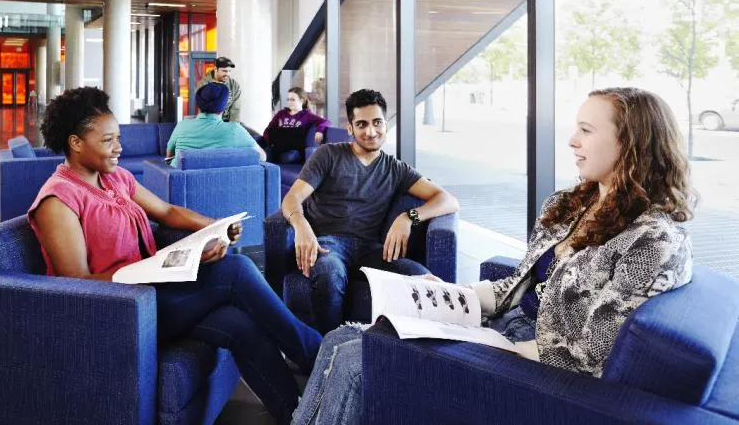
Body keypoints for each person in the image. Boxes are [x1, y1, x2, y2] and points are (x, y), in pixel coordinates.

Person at [292, 87, 697, 425]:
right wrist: (454, 293)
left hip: (531, 354)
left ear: (631, 143)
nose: (572, 140)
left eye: (586, 130)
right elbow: (521, 283)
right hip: (501, 323)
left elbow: (589, 356)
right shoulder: (572, 205)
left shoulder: (652, 241)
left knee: (357, 357)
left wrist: (486, 342)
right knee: (341, 338)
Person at [28, 87, 320, 424]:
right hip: (115, 312)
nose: (119, 148)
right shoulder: (58, 200)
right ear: (76, 143)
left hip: (153, 294)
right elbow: (77, 283)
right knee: (236, 269)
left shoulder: (115, 178)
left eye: (118, 137)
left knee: (240, 325)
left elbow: (166, 211)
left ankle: (300, 415)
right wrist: (153, 270)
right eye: (108, 141)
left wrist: (213, 226)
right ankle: (319, 355)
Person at [281, 89, 460, 335]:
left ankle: (418, 357)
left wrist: (408, 217)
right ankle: (326, 353)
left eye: (377, 123)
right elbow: (292, 199)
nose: (370, 131)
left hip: (372, 251)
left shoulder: (395, 168)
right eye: (361, 124)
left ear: (386, 124)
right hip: (328, 245)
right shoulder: (328, 155)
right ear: (350, 128)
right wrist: (301, 227)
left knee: (424, 279)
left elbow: (448, 200)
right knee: (330, 273)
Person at [166, 82, 264, 167]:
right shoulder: (235, 130)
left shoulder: (182, 125)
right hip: (220, 183)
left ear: (198, 105)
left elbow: (169, 155)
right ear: (224, 107)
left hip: (179, 183)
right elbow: (262, 157)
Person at [262, 87, 332, 163]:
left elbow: (326, 122)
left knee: (289, 157)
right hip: (277, 147)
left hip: (294, 150)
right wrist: (267, 141)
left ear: (301, 100)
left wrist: (319, 131)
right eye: (288, 99)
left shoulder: (306, 115)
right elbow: (268, 129)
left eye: (292, 99)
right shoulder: (281, 113)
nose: (289, 102)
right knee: (264, 155)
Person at [196, 56, 241, 122]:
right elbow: (201, 110)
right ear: (215, 69)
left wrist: (233, 127)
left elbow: (236, 109)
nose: (227, 74)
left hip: (228, 122)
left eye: (229, 71)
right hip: (210, 122)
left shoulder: (234, 85)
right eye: (224, 71)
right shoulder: (203, 84)